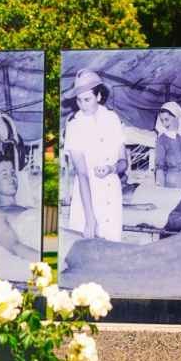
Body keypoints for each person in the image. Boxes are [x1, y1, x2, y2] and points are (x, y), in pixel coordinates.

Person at [64, 69, 125, 242]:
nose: (82, 105)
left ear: (98, 96)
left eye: (87, 99)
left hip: (112, 193)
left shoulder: (112, 119)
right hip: (86, 198)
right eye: (79, 100)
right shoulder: (74, 126)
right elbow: (82, 173)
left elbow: (123, 162)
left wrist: (111, 168)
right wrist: (90, 219)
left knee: (112, 248)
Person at [0, 154, 39, 260]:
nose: (12, 178)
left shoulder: (27, 207)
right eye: (5, 175)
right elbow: (14, 246)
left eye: (13, 173)